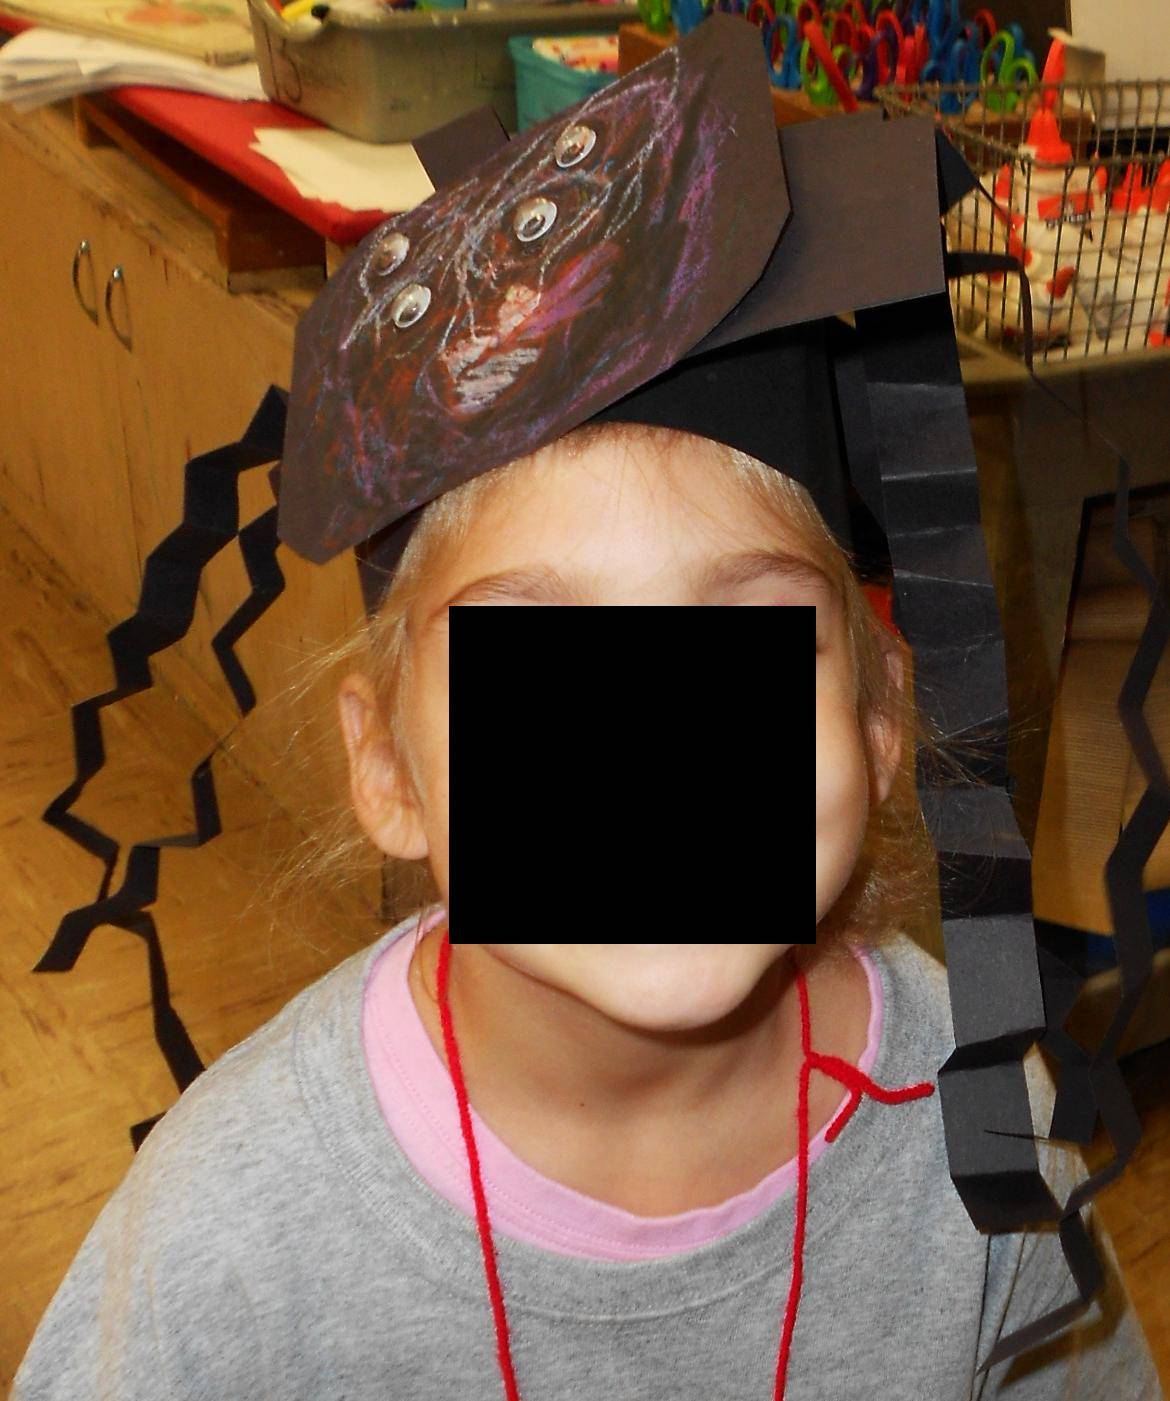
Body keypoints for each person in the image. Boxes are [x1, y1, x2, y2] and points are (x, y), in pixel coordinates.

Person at [13, 14, 1165, 1401]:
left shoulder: (979, 1127)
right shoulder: (230, 1243)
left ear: (877, 723)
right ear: (387, 769)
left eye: (743, 634)